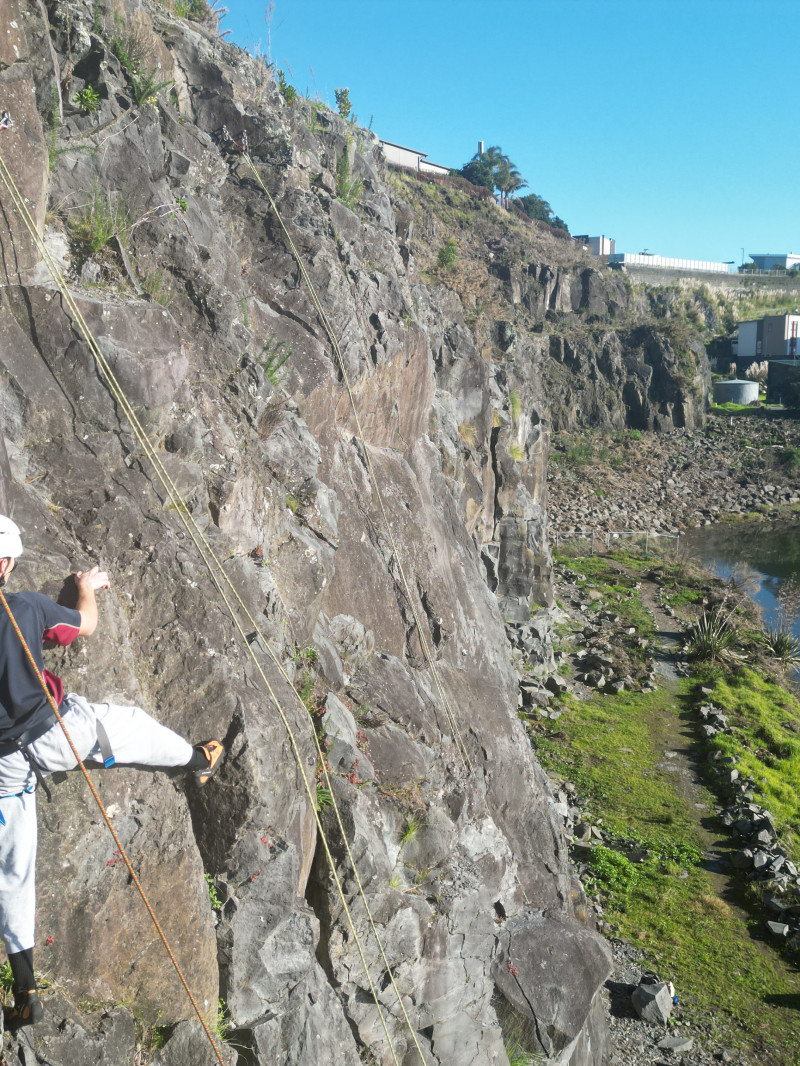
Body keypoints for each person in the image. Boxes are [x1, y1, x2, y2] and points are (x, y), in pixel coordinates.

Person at [0, 514, 224, 1028]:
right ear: (6, 564)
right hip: (53, 734)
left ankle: (27, 987)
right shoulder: (27, 607)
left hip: (3, 763)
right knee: (127, 725)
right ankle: (197, 759)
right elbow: (86, 625)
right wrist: (85, 587)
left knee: (14, 867)